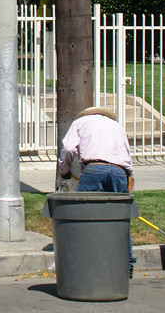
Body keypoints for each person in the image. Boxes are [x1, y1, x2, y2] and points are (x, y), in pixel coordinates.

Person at [57, 106, 137, 277]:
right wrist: (130, 175)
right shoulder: (116, 126)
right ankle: (127, 263)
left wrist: (64, 169)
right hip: (119, 171)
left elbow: (69, 148)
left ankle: (85, 260)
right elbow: (127, 152)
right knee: (120, 219)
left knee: (84, 217)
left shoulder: (80, 122)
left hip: (93, 169)